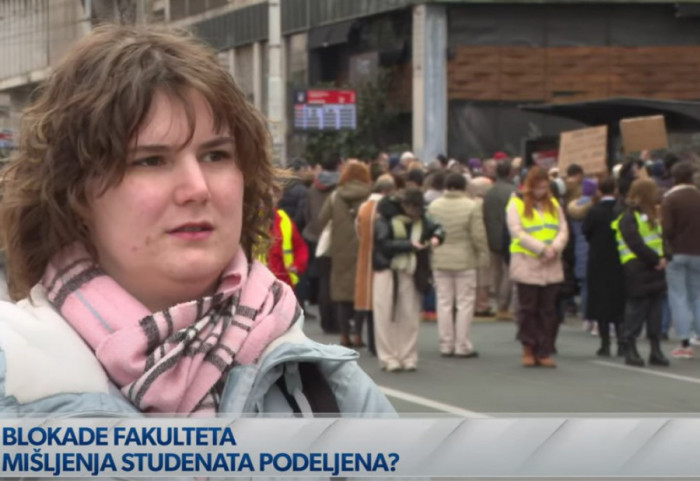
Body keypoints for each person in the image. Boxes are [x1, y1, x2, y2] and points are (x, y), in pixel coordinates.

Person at [0, 25, 393, 417]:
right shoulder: (17, 377)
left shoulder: (329, 392)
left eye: (216, 155)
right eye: (151, 160)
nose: (197, 188)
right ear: (76, 192)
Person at [373, 188, 444, 371]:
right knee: (385, 314)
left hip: (411, 270)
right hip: (388, 270)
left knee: (410, 315)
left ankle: (408, 356)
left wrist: (437, 237)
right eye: (414, 209)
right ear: (404, 205)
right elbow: (383, 244)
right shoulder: (385, 219)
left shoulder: (422, 219)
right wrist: (408, 245)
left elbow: (438, 227)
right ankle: (388, 357)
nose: (416, 213)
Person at [506, 167, 569, 368]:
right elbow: (517, 232)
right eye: (538, 187)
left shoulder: (553, 204)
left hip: (551, 263)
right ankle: (528, 347)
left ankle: (544, 350)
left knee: (548, 310)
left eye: (545, 187)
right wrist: (541, 249)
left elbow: (563, 230)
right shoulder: (515, 204)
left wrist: (555, 248)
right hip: (527, 262)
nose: (542, 191)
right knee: (527, 309)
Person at [428, 173, 488, 357]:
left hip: (440, 258)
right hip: (465, 259)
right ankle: (462, 344)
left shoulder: (434, 206)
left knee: (444, 302)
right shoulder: (472, 206)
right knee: (465, 303)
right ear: (463, 187)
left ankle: (446, 344)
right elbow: (478, 235)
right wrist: (483, 256)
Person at [612, 179, 670, 367]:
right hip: (636, 267)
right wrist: (656, 259)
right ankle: (630, 346)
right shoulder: (628, 217)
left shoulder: (653, 214)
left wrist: (666, 257)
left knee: (655, 311)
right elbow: (635, 243)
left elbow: (662, 238)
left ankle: (655, 348)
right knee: (636, 310)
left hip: (654, 268)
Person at [320, 161, 371, 347]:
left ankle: (343, 335)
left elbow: (322, 219)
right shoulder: (369, 195)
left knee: (342, 293)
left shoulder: (335, 196)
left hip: (340, 250)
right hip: (364, 246)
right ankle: (358, 333)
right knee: (361, 291)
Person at [582, 177, 626, 357]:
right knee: (619, 301)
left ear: (599, 191)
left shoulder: (594, 211)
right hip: (619, 259)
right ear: (615, 190)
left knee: (601, 302)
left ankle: (605, 343)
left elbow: (586, 231)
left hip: (599, 260)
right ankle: (622, 342)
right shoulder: (621, 210)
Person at [354, 174, 396, 356]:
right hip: (384, 259)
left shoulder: (363, 207)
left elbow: (357, 231)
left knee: (368, 302)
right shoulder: (388, 208)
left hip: (364, 257)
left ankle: (369, 341)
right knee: (383, 303)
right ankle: (382, 344)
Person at [662, 161, 700, 359]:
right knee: (697, 295)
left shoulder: (670, 198)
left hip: (677, 251)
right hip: (698, 251)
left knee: (678, 296)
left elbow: (666, 228)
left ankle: (685, 342)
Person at [303, 152, 342, 334]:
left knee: (323, 279)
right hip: (336, 237)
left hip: (315, 236)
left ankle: (326, 319)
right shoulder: (341, 188)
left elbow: (307, 213)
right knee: (337, 280)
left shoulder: (312, 188)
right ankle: (338, 320)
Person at [482, 160, 516, 320]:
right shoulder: (513, 192)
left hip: (491, 235)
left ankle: (497, 300)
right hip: (508, 235)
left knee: (496, 270)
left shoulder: (489, 191)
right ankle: (503, 303)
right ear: (510, 173)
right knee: (508, 271)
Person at [263, 207, 308, 288]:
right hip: (260, 286)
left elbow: (300, 247)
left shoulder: (284, 221)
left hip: (284, 284)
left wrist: (297, 265)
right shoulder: (252, 221)